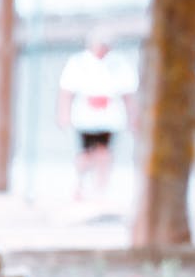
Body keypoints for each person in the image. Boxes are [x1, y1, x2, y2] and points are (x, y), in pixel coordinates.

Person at [57, 28, 138, 199]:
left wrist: (133, 117)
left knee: (104, 152)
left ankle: (100, 189)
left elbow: (128, 94)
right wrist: (64, 114)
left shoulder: (118, 63)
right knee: (85, 154)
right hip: (85, 116)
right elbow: (66, 91)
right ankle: (79, 185)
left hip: (109, 116)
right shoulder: (78, 62)